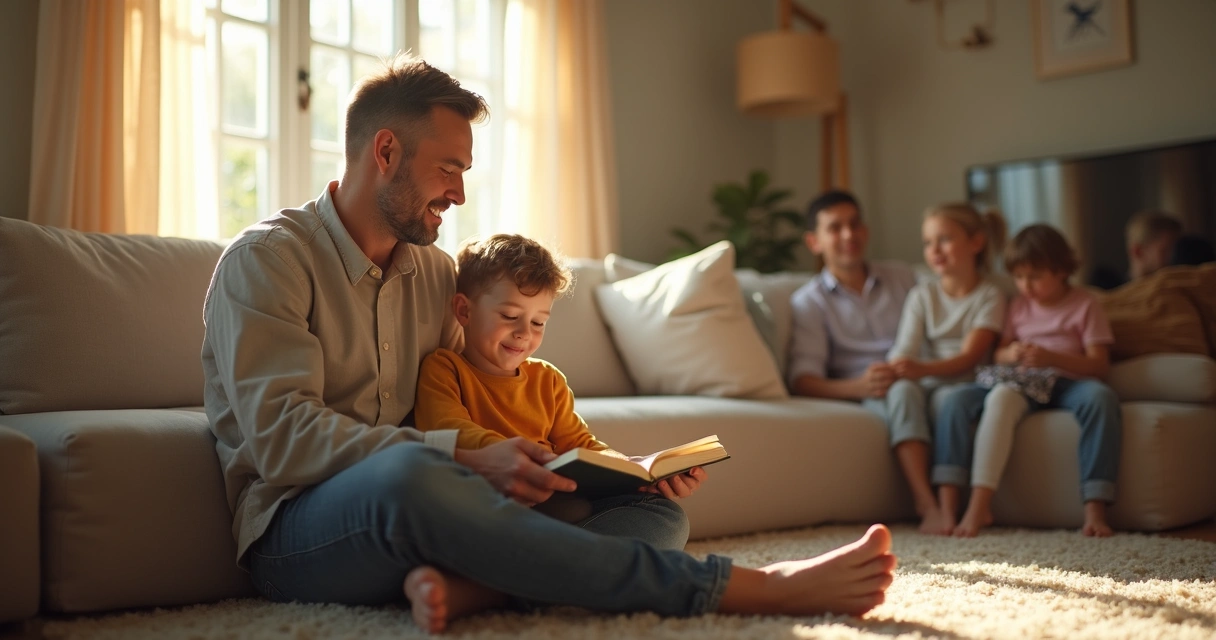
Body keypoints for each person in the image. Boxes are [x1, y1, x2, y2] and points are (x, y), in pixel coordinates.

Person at [201, 53, 896, 634]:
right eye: (449, 168)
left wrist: (610, 468)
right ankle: (761, 589)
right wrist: (467, 460)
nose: (461, 194)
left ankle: (491, 591)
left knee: (652, 511)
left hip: (438, 502)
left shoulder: (436, 276)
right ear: (386, 152)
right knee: (410, 475)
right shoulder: (268, 261)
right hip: (302, 530)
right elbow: (283, 440)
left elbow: (481, 390)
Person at [414, 232, 706, 533]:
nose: (524, 333)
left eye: (538, 322)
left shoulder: (548, 380)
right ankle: (583, 562)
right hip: (488, 508)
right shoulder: (444, 368)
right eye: (510, 315)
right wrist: (522, 456)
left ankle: (561, 561)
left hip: (554, 508)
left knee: (667, 517)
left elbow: (579, 444)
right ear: (464, 310)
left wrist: (632, 469)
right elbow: (447, 430)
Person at [933, 224, 1121, 537]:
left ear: (1061, 270)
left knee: (1101, 398)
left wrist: (1053, 359)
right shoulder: (1018, 305)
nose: (1025, 286)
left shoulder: (1085, 304)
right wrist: (1012, 353)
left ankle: (1094, 511)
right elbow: (998, 354)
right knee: (956, 399)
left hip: (1067, 382)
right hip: (1022, 382)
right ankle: (951, 509)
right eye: (1019, 277)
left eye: (1034, 277)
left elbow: (1100, 365)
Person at [787, 192, 946, 531]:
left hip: (924, 375)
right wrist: (858, 386)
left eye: (855, 223)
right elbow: (802, 380)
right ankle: (927, 503)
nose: (849, 235)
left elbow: (953, 296)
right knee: (902, 393)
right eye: (835, 228)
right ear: (814, 242)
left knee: (956, 398)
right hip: (871, 392)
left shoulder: (903, 277)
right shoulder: (808, 303)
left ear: (866, 229)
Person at [886, 203, 1008, 535]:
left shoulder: (990, 295)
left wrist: (920, 368)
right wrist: (900, 368)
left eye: (945, 239)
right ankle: (927, 503)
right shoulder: (922, 295)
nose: (934, 250)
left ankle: (951, 504)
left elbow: (970, 358)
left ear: (976, 242)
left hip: (973, 383)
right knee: (901, 392)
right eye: (928, 242)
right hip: (931, 380)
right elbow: (904, 349)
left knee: (948, 399)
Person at [1090, 210, 1182, 290]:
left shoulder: (1175, 289)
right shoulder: (1110, 293)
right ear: (1138, 251)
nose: (1173, 256)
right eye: (1165, 251)